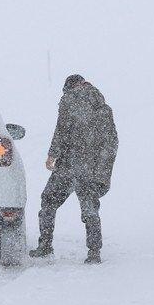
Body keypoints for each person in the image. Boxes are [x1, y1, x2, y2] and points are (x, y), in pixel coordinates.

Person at [29, 74, 119, 264]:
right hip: (90, 167)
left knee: (48, 201)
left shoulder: (69, 99)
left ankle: (45, 245)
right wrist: (101, 169)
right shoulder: (103, 108)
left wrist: (52, 154)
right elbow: (111, 142)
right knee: (90, 208)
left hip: (68, 165)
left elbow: (61, 129)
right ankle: (94, 252)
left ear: (68, 87)